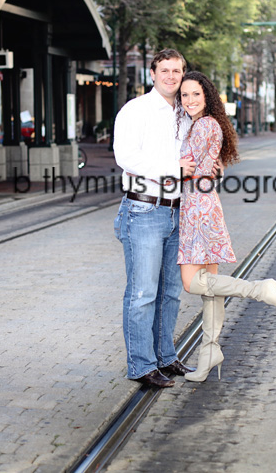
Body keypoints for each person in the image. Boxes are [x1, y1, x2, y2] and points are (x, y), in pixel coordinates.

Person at [176, 71, 276, 382]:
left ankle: (261, 290)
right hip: (204, 205)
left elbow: (183, 168)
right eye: (184, 95)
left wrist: (170, 167)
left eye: (195, 95)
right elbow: (207, 168)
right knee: (210, 291)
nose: (189, 100)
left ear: (207, 97)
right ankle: (209, 352)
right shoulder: (208, 124)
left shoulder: (203, 126)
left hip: (198, 210)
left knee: (192, 283)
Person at [113, 49, 197, 388]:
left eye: (177, 70)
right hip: (144, 209)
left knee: (171, 293)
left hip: (178, 211)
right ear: (152, 73)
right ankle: (141, 365)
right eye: (165, 70)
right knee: (143, 293)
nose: (171, 76)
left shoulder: (187, 114)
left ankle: (166, 356)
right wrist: (172, 170)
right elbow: (126, 156)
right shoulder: (136, 110)